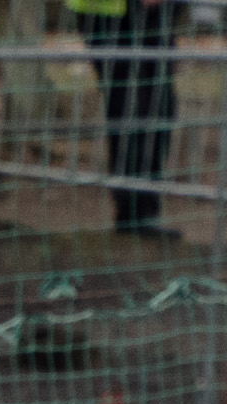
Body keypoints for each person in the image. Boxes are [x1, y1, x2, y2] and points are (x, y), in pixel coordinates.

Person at [69, 0, 182, 239]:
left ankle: (143, 210)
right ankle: (132, 211)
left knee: (158, 107)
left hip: (151, 12)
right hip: (112, 14)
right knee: (130, 107)